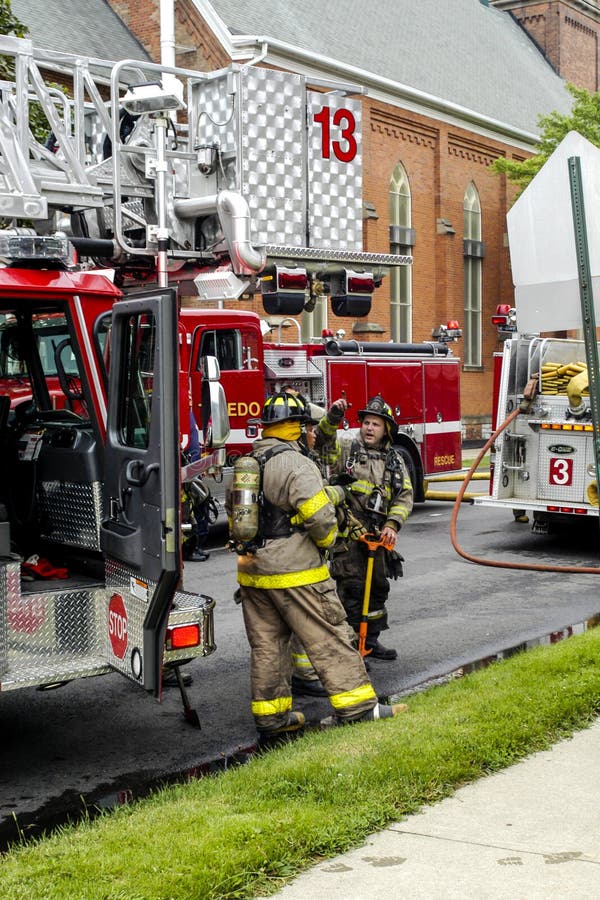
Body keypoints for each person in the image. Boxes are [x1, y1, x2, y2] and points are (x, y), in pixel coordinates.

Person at [230, 390, 405, 736]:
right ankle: (357, 709)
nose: (312, 434)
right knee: (330, 633)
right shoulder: (297, 464)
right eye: (307, 428)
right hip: (295, 571)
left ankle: (273, 719)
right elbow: (321, 520)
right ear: (294, 428)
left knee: (267, 646)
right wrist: (327, 543)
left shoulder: (248, 463)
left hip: (251, 573)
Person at [315, 394, 413, 660]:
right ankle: (349, 651)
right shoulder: (347, 448)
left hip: (379, 538)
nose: (369, 428)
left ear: (386, 430)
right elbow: (323, 443)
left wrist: (392, 524)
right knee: (352, 591)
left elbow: (404, 496)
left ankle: (370, 642)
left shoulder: (394, 460)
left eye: (376, 424)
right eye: (366, 422)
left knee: (378, 589)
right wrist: (333, 417)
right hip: (349, 537)